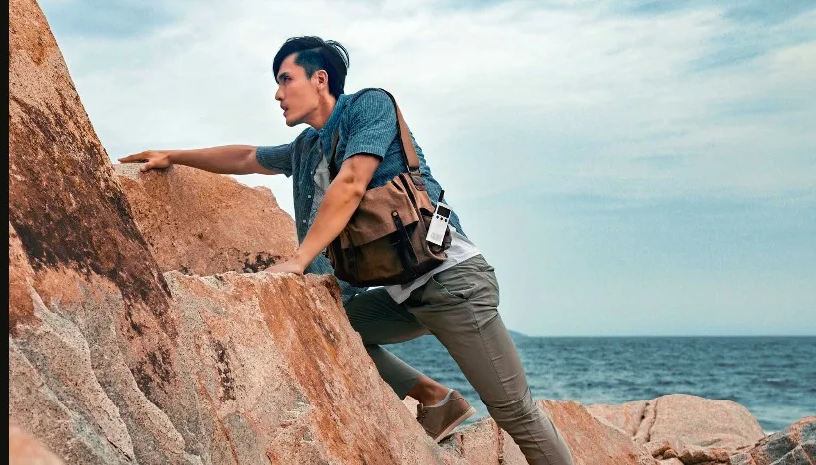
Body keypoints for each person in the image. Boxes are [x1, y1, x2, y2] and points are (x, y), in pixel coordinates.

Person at [118, 36, 574, 464]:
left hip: (451, 282)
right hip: (405, 294)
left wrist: (299, 261)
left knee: (515, 412)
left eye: (285, 80)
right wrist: (172, 155)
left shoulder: (369, 106)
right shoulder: (307, 147)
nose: (277, 94)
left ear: (320, 79)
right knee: (329, 329)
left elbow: (353, 181)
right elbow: (245, 158)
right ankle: (436, 400)